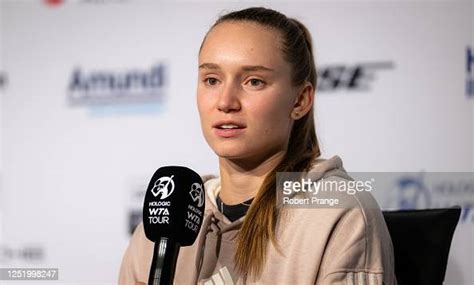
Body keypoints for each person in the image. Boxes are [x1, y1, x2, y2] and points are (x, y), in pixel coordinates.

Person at [119, 7, 397, 285]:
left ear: (300, 100)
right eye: (212, 80)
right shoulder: (161, 225)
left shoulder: (340, 215)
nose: (226, 102)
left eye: (254, 81)